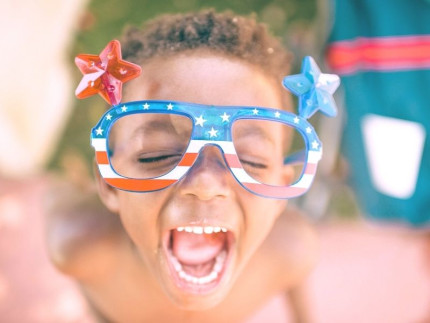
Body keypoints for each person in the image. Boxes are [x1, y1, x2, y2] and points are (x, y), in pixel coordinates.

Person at [46, 10, 338, 322]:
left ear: (281, 194)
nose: (206, 184)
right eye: (155, 156)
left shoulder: (292, 252)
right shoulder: (79, 249)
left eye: (251, 161)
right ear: (108, 183)